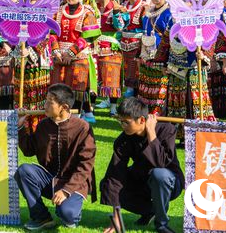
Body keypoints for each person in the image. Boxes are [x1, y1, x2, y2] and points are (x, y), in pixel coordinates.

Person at [16, 83, 96, 230]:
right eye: (45, 101)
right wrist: (21, 127)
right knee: (24, 171)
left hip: (74, 182)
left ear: (64, 107)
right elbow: (28, 150)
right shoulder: (44, 125)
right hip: (50, 178)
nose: (44, 105)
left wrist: (66, 190)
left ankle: (71, 211)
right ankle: (41, 217)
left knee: (67, 215)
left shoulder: (82, 127)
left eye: (49, 102)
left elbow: (86, 166)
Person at [100, 97, 183, 233]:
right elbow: (115, 175)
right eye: (120, 121)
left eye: (126, 122)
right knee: (108, 183)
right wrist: (116, 219)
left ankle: (161, 224)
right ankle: (150, 211)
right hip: (143, 180)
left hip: (169, 181)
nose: (122, 126)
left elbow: (161, 163)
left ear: (142, 120)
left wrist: (151, 132)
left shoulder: (166, 130)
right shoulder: (123, 140)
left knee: (159, 174)